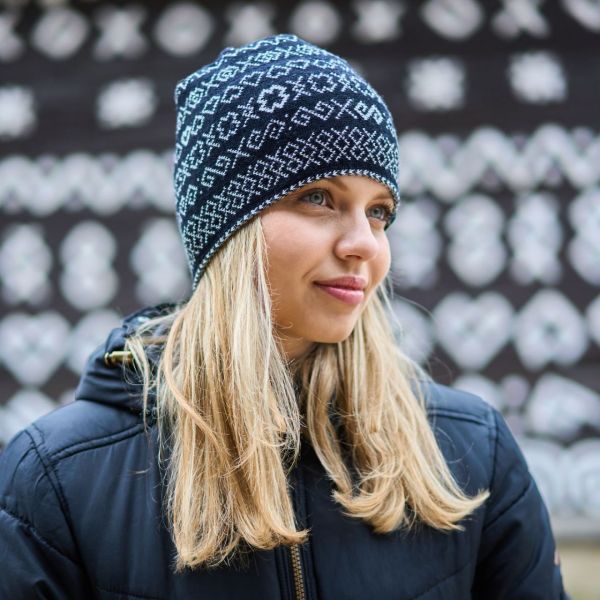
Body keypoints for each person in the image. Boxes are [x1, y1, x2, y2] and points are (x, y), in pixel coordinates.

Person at [0, 33, 569, 599]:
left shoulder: (470, 450)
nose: (364, 244)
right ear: (228, 233)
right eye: (318, 197)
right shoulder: (59, 478)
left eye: (379, 212)